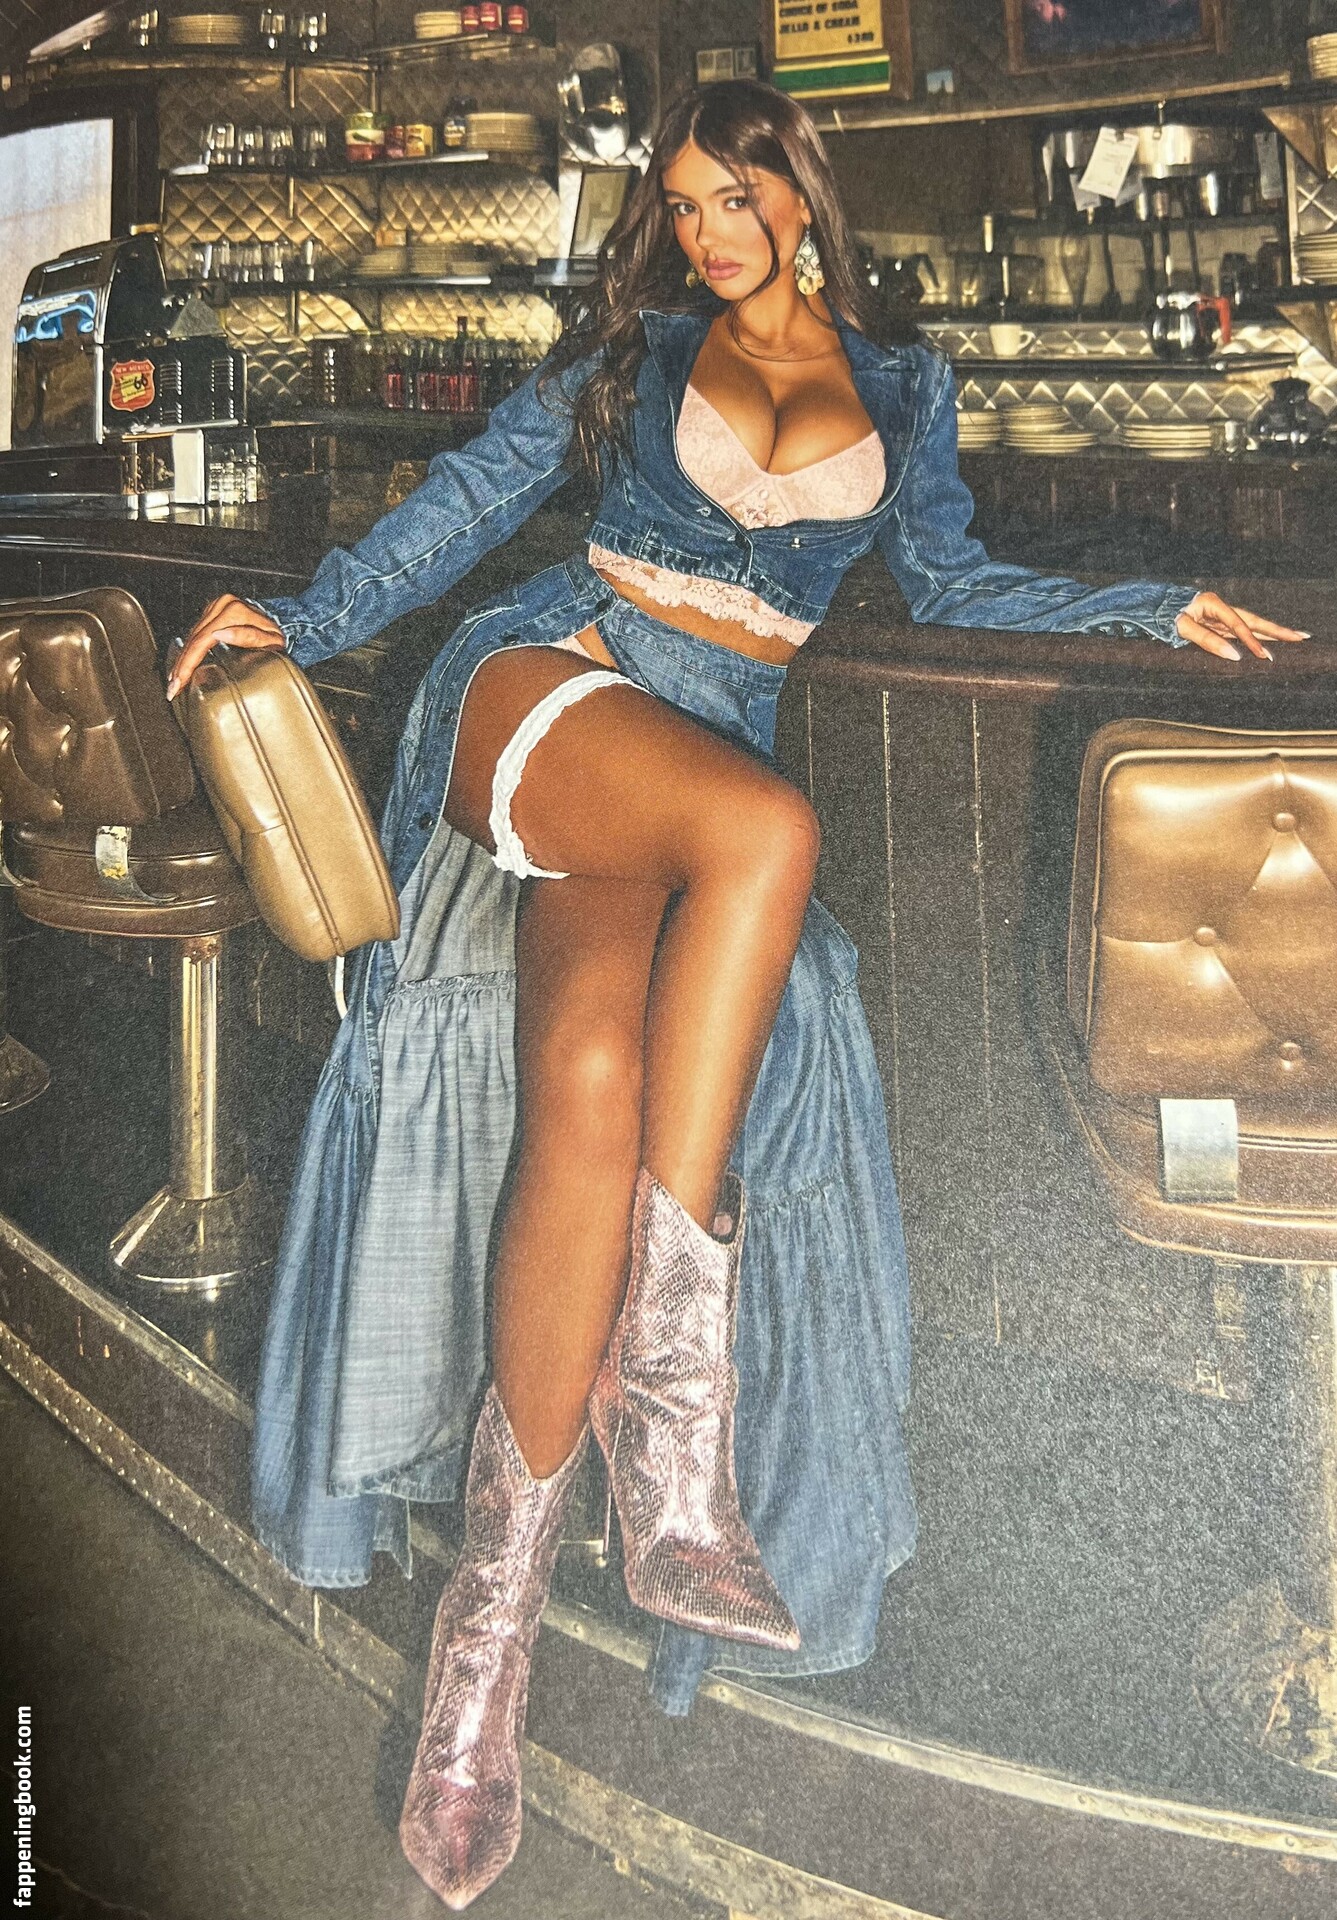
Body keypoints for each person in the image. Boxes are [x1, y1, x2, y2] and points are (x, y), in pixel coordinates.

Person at [169, 78, 1306, 1912]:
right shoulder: (635, 352)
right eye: (683, 205)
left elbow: (950, 575)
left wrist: (1137, 606)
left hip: (684, 768)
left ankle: (483, 1655)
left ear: (799, 193)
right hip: (550, 686)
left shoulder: (906, 386)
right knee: (769, 836)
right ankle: (673, 1438)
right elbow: (468, 501)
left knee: (590, 1080)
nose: (707, 233)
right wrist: (307, 617)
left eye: (734, 199)